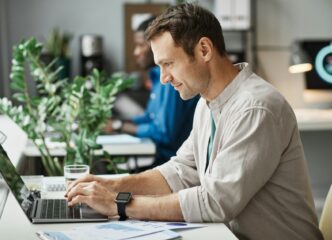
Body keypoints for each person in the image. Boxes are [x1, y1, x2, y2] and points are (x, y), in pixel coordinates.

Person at [66, 3, 323, 239]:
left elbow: (215, 202)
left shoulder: (256, 108)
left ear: (204, 50)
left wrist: (118, 204)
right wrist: (109, 184)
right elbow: (180, 172)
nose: (164, 78)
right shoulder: (206, 102)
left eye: (169, 64)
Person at [107, 16, 199, 167]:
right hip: (161, 160)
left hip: (173, 164)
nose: (136, 52)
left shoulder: (172, 81)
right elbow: (150, 117)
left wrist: (119, 126)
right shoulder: (158, 77)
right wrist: (120, 122)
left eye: (140, 45)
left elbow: (164, 133)